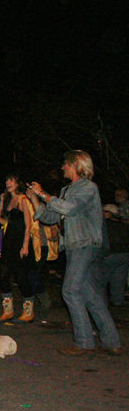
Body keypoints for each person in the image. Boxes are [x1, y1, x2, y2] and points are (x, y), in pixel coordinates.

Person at [29, 150, 121, 356]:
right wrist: (36, 199)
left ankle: (84, 342)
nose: (63, 167)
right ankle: (112, 341)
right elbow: (51, 217)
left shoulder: (88, 188)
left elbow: (70, 209)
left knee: (70, 291)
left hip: (84, 244)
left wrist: (44, 193)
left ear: (76, 165)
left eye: (65, 164)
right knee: (90, 295)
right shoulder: (65, 190)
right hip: (73, 246)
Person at [0, 174, 37, 322]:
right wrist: (0, 204)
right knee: (3, 275)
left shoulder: (23, 199)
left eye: (11, 180)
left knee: (21, 277)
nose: (8, 183)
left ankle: (28, 312)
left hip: (20, 241)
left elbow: (28, 224)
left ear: (18, 183)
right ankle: (8, 311)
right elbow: (4, 220)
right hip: (8, 240)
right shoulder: (9, 200)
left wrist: (25, 245)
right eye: (7, 180)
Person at [101, 203, 129, 306]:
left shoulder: (105, 225)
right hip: (124, 255)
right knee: (119, 281)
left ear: (109, 214)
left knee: (101, 280)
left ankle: (101, 303)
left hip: (109, 255)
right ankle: (117, 301)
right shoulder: (124, 225)